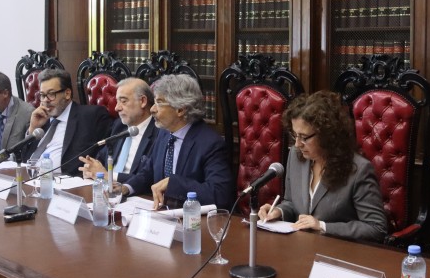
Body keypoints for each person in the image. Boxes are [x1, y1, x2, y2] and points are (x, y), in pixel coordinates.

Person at [257, 91, 387, 242]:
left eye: (304, 137)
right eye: (295, 135)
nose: (298, 144)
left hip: (337, 254)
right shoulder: (296, 156)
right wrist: (278, 211)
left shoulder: (359, 170)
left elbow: (376, 228)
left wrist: (323, 226)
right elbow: (291, 203)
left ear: (327, 134)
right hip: (300, 249)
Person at [124, 74, 234, 209]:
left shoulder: (210, 144)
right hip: (161, 217)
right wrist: (126, 188)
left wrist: (174, 185)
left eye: (159, 102)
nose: (152, 109)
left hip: (192, 221)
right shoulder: (164, 133)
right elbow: (149, 171)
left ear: (180, 109)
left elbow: (220, 194)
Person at [24, 68, 112, 176]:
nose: (46, 100)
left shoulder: (91, 117)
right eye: (42, 95)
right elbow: (25, 158)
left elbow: (105, 154)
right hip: (31, 181)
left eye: (51, 94)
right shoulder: (42, 119)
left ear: (67, 93)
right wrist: (33, 129)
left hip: (65, 184)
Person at [78, 78, 160, 191]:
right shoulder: (119, 126)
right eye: (117, 101)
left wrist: (109, 176)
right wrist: (90, 169)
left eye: (123, 101)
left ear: (143, 101)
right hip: (106, 191)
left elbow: (150, 178)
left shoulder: (159, 132)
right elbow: (101, 158)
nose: (117, 108)